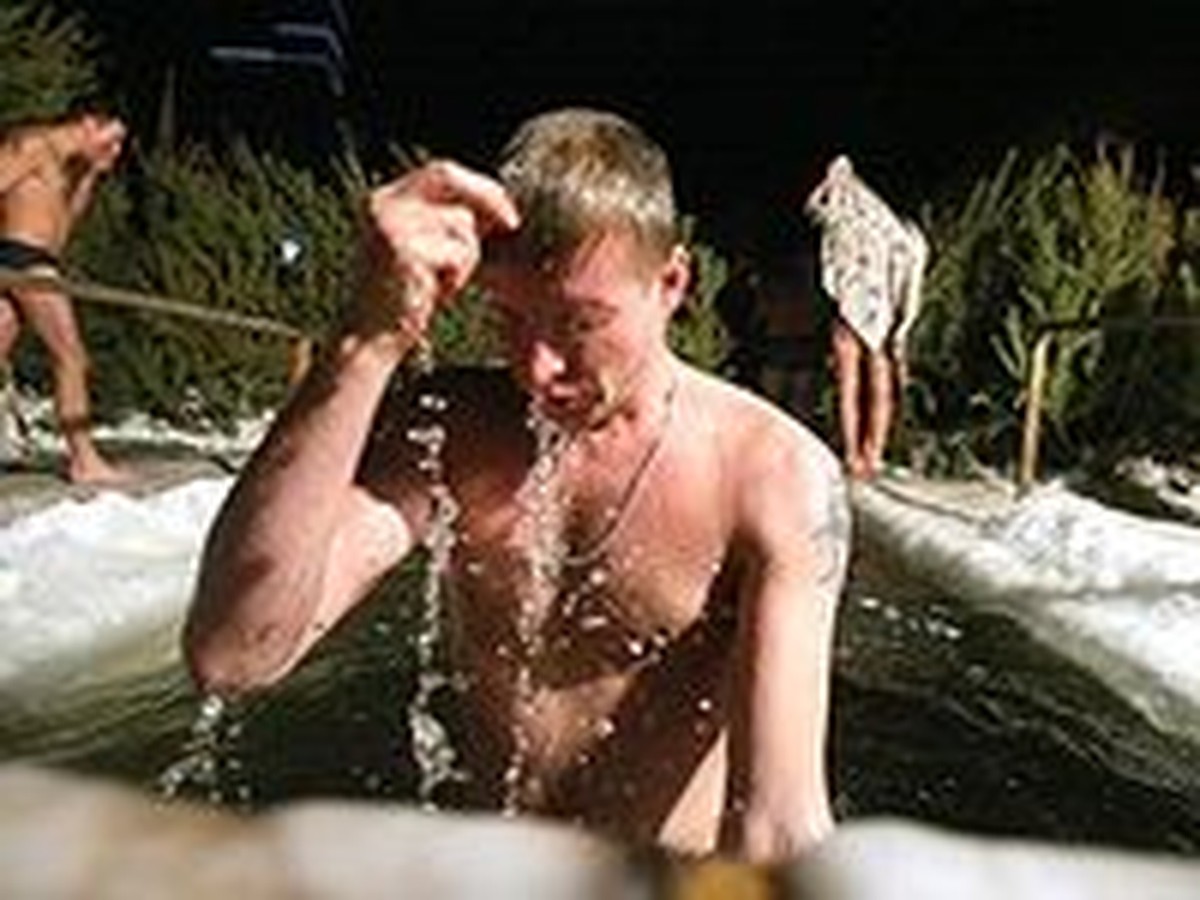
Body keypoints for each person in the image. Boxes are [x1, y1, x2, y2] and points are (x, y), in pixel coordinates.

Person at [184, 108, 849, 862]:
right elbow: (234, 654)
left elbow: (776, 826)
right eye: (509, 318)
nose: (536, 368)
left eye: (579, 323)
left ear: (671, 283)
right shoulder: (450, 430)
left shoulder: (773, 476)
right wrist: (364, 342)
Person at [0, 110, 128, 483]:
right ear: (88, 124)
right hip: (20, 259)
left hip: (38, 260)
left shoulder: (74, 167)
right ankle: (84, 460)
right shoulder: (33, 145)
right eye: (111, 140)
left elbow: (65, 224)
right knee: (71, 356)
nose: (116, 151)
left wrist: (89, 175)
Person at [804, 155, 928, 481]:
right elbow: (911, 273)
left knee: (848, 385)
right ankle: (873, 454)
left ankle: (852, 455)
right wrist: (903, 320)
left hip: (849, 310)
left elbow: (815, 209)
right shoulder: (900, 231)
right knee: (878, 386)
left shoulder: (843, 220)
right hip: (881, 310)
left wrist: (834, 178)